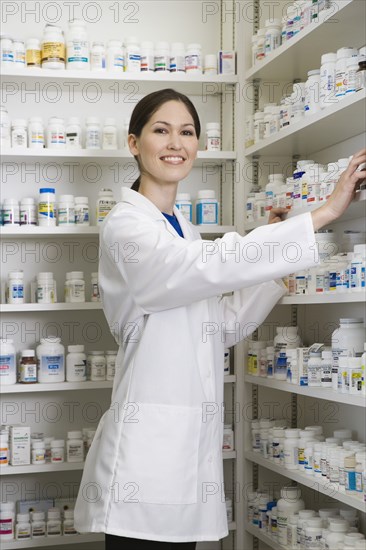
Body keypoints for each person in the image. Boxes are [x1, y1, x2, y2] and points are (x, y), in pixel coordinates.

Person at [74, 89, 366, 549]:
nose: (176, 142)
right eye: (161, 130)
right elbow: (199, 266)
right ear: (135, 143)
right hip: (146, 458)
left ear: (198, 145)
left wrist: (273, 266)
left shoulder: (182, 229)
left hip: (187, 451)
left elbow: (219, 327)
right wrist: (320, 215)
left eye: (187, 132)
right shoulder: (126, 226)